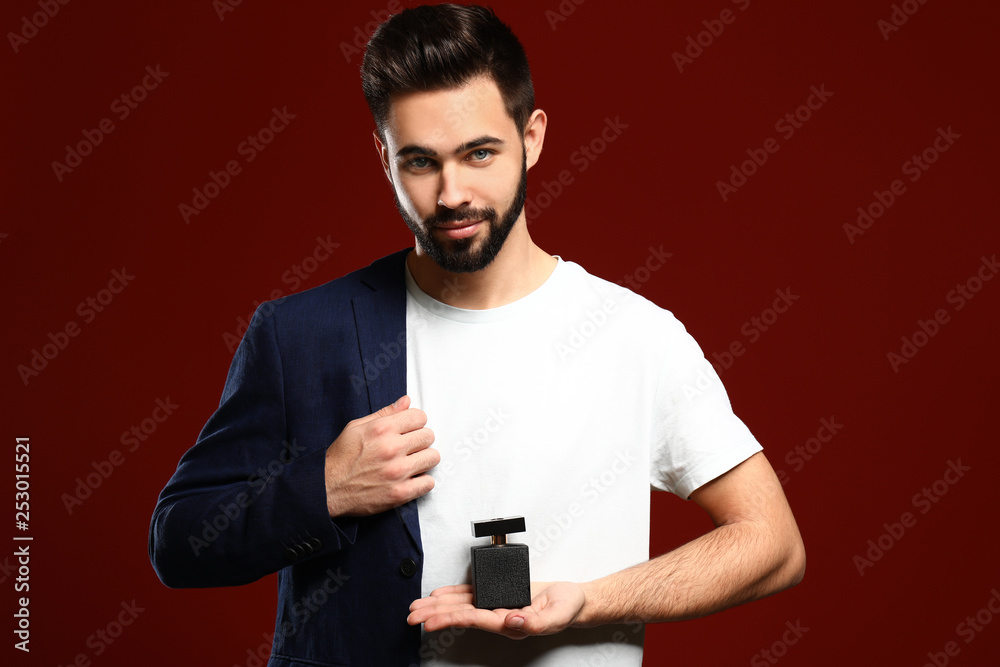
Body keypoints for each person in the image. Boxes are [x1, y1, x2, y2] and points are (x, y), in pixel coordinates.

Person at [149, 5, 805, 666]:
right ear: (384, 158)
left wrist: (589, 599)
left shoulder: (636, 337)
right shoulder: (301, 335)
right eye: (420, 162)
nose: (450, 193)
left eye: (479, 153)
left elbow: (772, 543)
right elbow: (177, 543)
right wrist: (322, 489)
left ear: (533, 137)